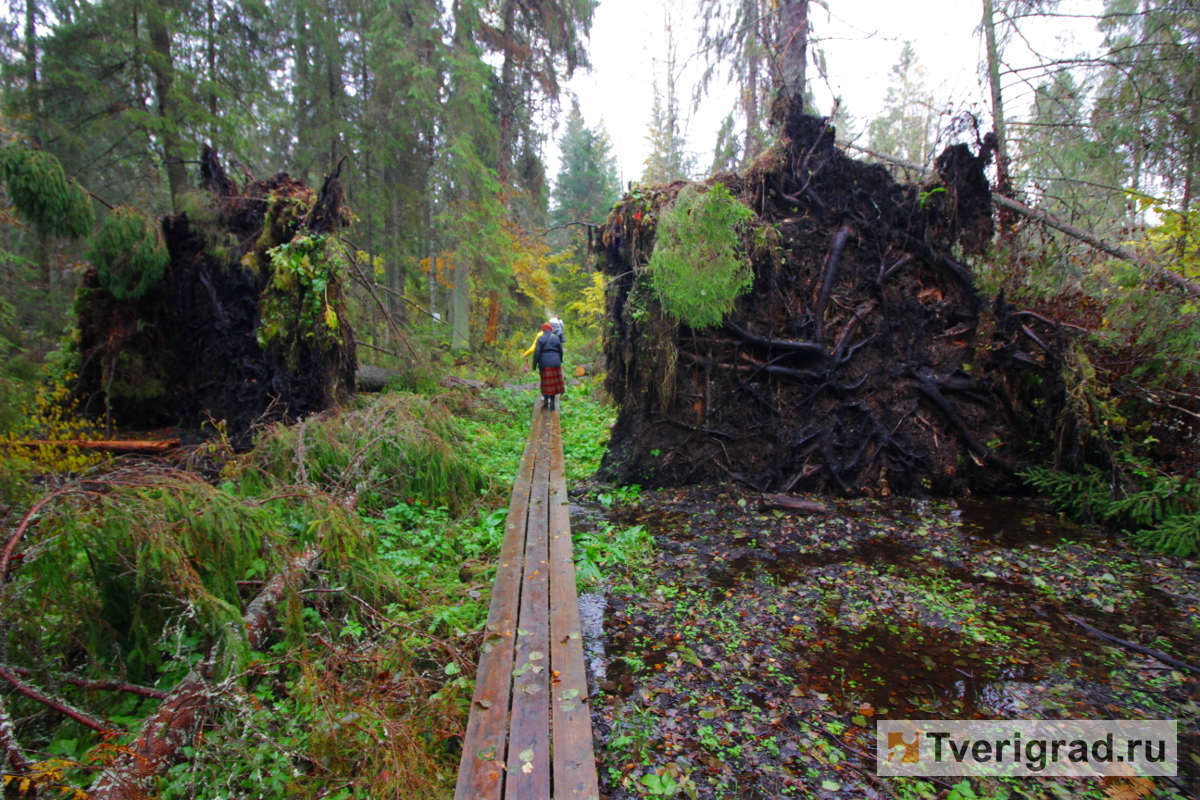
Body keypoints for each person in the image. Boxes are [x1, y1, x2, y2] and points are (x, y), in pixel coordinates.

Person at [530, 322, 564, 410]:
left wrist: (534, 364)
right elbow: (560, 351)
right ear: (551, 330)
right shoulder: (556, 338)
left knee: (546, 384)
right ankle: (552, 404)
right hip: (555, 362)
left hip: (544, 363)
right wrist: (560, 360)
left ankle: (546, 404)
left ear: (543, 330)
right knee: (553, 383)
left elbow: (536, 353)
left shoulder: (540, 339)